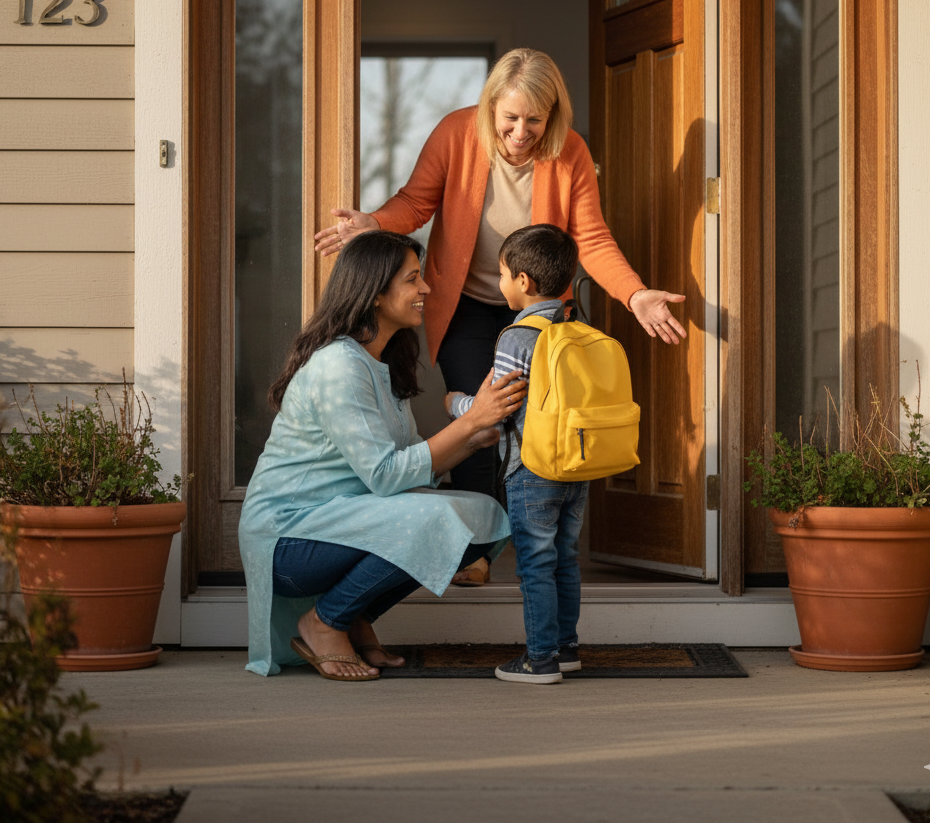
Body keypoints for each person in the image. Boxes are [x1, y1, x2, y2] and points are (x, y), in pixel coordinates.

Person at [314, 48, 686, 586]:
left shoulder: (569, 152)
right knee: (478, 416)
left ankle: (535, 540)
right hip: (464, 302)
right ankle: (475, 553)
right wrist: (372, 222)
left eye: (534, 119)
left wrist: (635, 296)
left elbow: (593, 238)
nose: (520, 131)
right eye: (510, 117)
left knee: (533, 417)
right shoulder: (456, 133)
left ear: (552, 114)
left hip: (535, 309)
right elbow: (416, 203)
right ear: (491, 108)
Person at [238, 230, 525, 680]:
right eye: (414, 279)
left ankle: (352, 616)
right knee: (433, 521)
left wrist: (470, 439)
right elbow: (387, 476)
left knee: (485, 519)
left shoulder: (380, 363)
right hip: (290, 538)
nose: (426, 289)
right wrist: (467, 423)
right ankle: (324, 622)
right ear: (374, 293)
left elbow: (411, 464)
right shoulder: (339, 366)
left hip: (344, 521)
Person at [446, 224, 585, 684]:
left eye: (502, 273)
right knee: (564, 557)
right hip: (576, 465)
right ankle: (566, 649)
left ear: (523, 281)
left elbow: (497, 408)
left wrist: (456, 405)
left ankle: (539, 658)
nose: (500, 282)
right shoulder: (577, 327)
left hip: (531, 468)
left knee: (535, 562)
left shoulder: (516, 337)